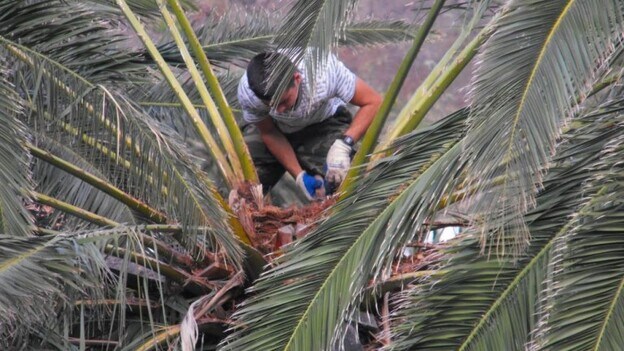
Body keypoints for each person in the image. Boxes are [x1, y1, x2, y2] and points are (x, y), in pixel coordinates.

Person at [238, 50, 382, 201]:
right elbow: (269, 132)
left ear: (297, 78)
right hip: (278, 129)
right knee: (244, 187)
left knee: (348, 179)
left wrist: (344, 145)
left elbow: (373, 102)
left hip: (323, 123)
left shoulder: (323, 72)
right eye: (271, 106)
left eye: (284, 101)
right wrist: (299, 176)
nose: (279, 110)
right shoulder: (250, 94)